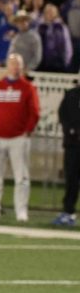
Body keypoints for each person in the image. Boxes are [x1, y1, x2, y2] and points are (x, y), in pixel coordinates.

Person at [0, 53, 40, 221]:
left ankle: (21, 211)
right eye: (12, 63)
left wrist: (27, 131)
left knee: (21, 177)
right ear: (7, 65)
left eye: (18, 64)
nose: (15, 67)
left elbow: (34, 112)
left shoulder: (28, 88)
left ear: (22, 67)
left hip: (18, 138)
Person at [54, 79, 80, 227]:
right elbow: (63, 116)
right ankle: (68, 212)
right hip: (73, 145)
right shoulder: (71, 95)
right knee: (71, 180)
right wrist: (72, 131)